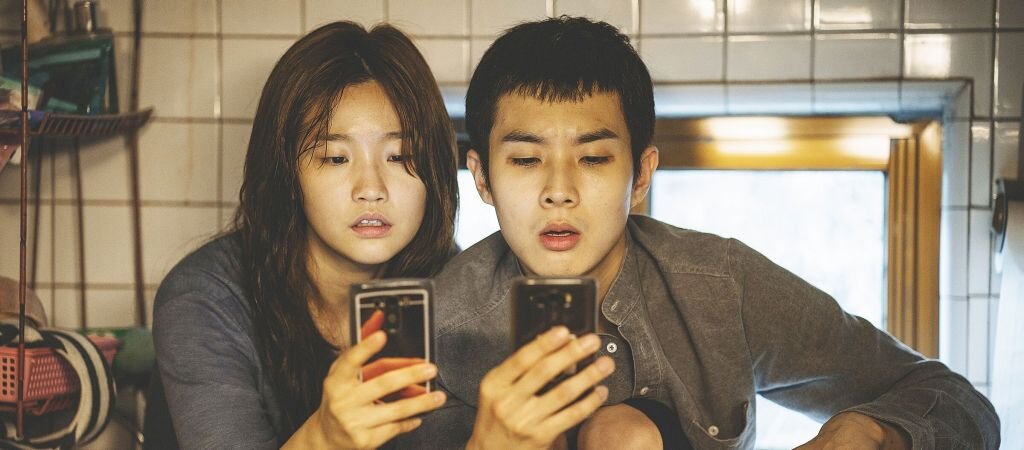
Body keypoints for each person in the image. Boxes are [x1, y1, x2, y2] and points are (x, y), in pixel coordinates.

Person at [402, 16, 1000, 449]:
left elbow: (958, 402)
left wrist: (872, 430)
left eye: (594, 158)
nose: (559, 191)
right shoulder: (435, 325)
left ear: (641, 175)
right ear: (482, 177)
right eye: (526, 160)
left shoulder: (719, 286)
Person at [149, 21, 459, 449]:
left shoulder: (456, 284)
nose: (371, 188)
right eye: (335, 158)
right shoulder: (206, 298)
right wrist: (324, 438)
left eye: (400, 156)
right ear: (287, 174)